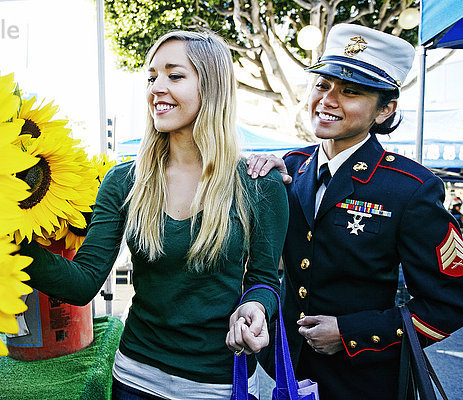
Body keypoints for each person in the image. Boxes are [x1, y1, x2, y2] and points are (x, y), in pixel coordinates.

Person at [19, 30, 289, 399]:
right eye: (152, 77)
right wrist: (0, 243)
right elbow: (80, 284)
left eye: (174, 76)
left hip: (221, 383)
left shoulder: (260, 184)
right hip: (134, 377)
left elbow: (264, 278)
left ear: (212, 86)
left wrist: (255, 307)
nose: (156, 88)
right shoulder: (123, 180)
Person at [246, 24, 463, 399]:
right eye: (322, 85)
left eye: (351, 91)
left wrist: (351, 333)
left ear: (386, 110)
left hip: (364, 380)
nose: (328, 100)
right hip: (286, 370)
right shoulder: (290, 166)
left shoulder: (410, 188)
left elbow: (453, 301)